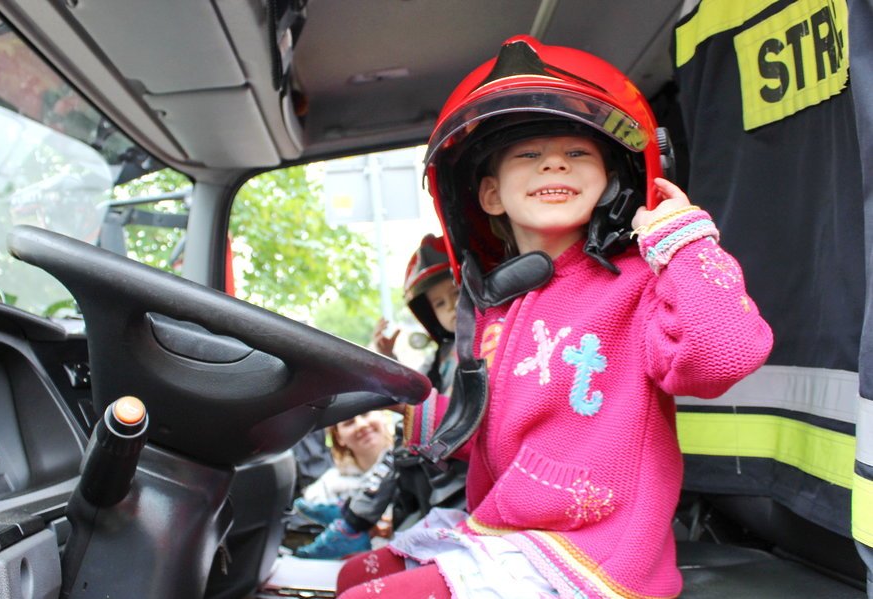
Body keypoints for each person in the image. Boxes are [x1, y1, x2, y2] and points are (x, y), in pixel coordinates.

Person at [335, 35, 773, 599]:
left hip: (594, 550)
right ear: (490, 194)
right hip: (512, 529)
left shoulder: (639, 282)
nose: (553, 161)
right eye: (527, 153)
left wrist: (681, 241)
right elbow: (498, 430)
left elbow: (724, 356)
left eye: (578, 152)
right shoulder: (503, 306)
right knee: (356, 574)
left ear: (612, 181)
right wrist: (406, 405)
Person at [294, 236, 459, 559]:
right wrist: (388, 357)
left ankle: (352, 522)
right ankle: (352, 517)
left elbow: (430, 404)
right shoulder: (444, 352)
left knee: (405, 442)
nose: (451, 308)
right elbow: (419, 388)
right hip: (438, 452)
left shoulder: (478, 346)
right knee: (402, 438)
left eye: (455, 295)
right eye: (439, 304)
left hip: (453, 461)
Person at [291, 411, 395, 558]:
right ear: (339, 437)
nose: (361, 425)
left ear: (383, 416)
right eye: (349, 422)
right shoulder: (328, 485)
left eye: (365, 414)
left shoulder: (411, 462)